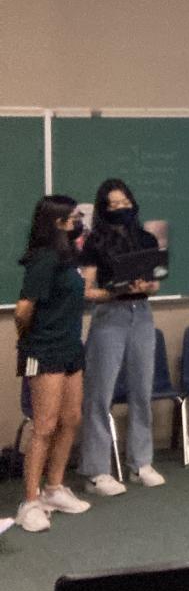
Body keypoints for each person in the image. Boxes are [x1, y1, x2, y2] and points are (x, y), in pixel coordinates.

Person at [79, 179, 165, 494]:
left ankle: (140, 463)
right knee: (99, 395)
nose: (120, 208)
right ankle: (96, 472)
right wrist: (115, 291)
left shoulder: (145, 238)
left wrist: (146, 286)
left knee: (142, 391)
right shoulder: (94, 242)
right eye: (113, 204)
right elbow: (87, 291)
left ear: (132, 203)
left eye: (124, 202)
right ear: (103, 209)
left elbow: (156, 282)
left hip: (141, 315)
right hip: (109, 317)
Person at [13, 195, 91, 532]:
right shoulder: (43, 259)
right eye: (73, 217)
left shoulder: (68, 256)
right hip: (44, 351)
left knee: (71, 418)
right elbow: (23, 311)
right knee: (44, 425)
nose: (78, 221)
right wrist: (30, 341)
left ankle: (54, 489)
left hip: (70, 347)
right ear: (57, 222)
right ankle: (30, 502)